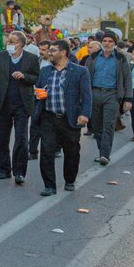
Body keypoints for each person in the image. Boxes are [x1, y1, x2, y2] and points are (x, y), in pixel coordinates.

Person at [34, 41, 92, 195]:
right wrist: (38, 94)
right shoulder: (45, 71)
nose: (49, 53)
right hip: (48, 116)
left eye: (53, 50)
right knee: (46, 151)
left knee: (72, 150)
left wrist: (84, 114)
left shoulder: (80, 71)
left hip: (70, 118)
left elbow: (86, 95)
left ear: (64, 52)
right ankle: (49, 185)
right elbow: (39, 90)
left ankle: (69, 180)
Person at [0, 29, 41, 186]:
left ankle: (19, 172)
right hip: (3, 104)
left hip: (22, 104)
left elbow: (36, 77)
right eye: (8, 41)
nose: (8, 44)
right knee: (2, 138)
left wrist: (24, 77)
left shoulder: (31, 59)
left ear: (21, 44)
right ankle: (4, 169)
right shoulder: (0, 57)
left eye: (12, 41)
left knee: (21, 139)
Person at [83, 32, 131, 166]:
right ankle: (101, 151)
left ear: (115, 43)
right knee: (96, 126)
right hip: (95, 93)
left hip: (112, 95)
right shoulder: (92, 57)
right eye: (105, 41)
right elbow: (85, 77)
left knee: (108, 125)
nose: (107, 43)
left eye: (110, 41)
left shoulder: (120, 58)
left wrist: (128, 99)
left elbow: (127, 79)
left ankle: (105, 154)